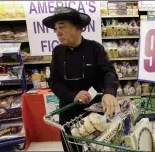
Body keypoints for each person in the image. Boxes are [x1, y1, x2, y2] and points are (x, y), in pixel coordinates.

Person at [42, 7, 119, 151]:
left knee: (96, 147)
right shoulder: (57, 52)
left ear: (78, 28)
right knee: (72, 147)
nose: (58, 33)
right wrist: (73, 96)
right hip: (68, 111)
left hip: (94, 111)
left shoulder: (95, 48)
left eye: (62, 27)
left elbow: (109, 72)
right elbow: (53, 81)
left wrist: (109, 91)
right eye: (56, 28)